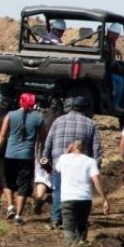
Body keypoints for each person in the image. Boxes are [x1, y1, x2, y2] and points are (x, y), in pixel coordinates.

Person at [43, 96, 102, 230]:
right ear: (85, 109)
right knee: (78, 189)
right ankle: (76, 219)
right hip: (81, 164)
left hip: (59, 162)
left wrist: (45, 158)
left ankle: (56, 219)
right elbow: (96, 148)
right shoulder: (90, 123)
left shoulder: (58, 121)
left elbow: (49, 141)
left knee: (58, 190)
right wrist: (96, 166)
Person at [0, 92, 43, 225]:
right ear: (33, 103)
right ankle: (18, 216)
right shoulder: (38, 118)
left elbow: (2, 136)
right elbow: (43, 138)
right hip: (27, 157)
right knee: (23, 186)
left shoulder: (10, 115)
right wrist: (42, 154)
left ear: (20, 102)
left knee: (8, 182)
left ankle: (10, 206)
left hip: (10, 154)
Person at [56, 140, 109, 245]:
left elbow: (58, 169)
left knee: (69, 226)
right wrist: (104, 199)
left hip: (68, 198)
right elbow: (96, 181)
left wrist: (67, 151)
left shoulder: (63, 158)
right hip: (85, 198)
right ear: (84, 148)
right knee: (82, 224)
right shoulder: (90, 161)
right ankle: (82, 245)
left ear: (72, 147)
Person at [34, 98, 64, 215]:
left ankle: (39, 197)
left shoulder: (43, 117)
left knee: (42, 178)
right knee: (58, 180)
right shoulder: (62, 119)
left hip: (41, 152)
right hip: (57, 153)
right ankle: (56, 209)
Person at [107, 23, 124, 113]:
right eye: (113, 33)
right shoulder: (106, 43)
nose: (115, 36)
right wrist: (118, 68)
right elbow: (110, 62)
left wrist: (115, 50)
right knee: (119, 80)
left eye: (117, 34)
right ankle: (114, 104)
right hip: (105, 71)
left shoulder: (110, 43)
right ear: (109, 32)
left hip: (106, 69)